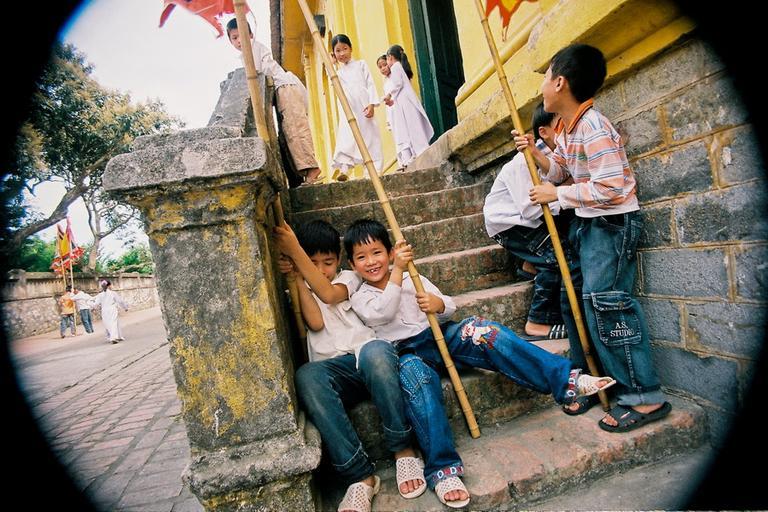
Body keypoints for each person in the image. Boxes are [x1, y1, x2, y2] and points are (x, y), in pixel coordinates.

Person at [344, 219, 615, 508]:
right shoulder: (361, 297)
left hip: (440, 336)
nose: (371, 262)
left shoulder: (414, 277)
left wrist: (438, 305)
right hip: (407, 353)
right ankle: (443, 469)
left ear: (389, 252)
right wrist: (397, 270)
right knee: (417, 382)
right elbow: (382, 314)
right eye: (361, 257)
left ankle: (566, 380)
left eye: (377, 252)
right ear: (351, 264)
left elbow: (449, 306)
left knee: (483, 330)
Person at [513, 43, 671, 430]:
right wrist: (536, 154)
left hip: (610, 225)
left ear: (560, 83)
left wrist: (558, 195)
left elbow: (611, 187)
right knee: (577, 304)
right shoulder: (570, 127)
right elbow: (560, 170)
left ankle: (644, 396)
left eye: (546, 76)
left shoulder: (594, 127)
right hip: (588, 224)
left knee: (608, 305)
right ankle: (593, 381)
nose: (543, 85)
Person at [273, 220, 426, 512]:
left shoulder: (350, 278)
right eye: (313, 262)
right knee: (306, 376)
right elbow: (315, 323)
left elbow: (329, 294)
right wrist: (297, 281)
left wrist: (294, 251)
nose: (321, 270)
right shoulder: (300, 286)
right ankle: (360, 476)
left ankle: (404, 450)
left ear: (340, 260)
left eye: (327, 262)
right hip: (336, 373)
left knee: (377, 351)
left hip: (369, 360)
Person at [484, 102, 573, 342]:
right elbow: (531, 209)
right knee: (557, 258)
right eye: (562, 125)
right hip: (510, 223)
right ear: (544, 132)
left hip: (529, 218)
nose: (569, 129)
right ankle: (537, 321)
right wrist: (564, 195)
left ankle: (529, 264)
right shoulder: (524, 162)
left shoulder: (554, 158)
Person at [226, 19, 322, 186]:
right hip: (281, 90)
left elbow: (256, 74)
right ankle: (303, 174)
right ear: (230, 41)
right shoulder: (246, 53)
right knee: (287, 134)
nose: (239, 41)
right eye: (235, 38)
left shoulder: (254, 47)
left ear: (251, 35)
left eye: (242, 35)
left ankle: (312, 169)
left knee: (295, 128)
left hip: (285, 87)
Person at [330, 34, 382, 181]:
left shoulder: (361, 65)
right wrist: (332, 64)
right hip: (349, 109)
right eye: (338, 51)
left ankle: (373, 170)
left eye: (344, 49)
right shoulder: (337, 73)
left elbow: (370, 84)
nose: (342, 53)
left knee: (370, 137)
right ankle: (345, 168)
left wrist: (372, 104)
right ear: (334, 54)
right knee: (347, 136)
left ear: (351, 48)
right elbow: (335, 84)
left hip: (364, 107)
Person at [382, 45, 434, 170]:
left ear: (390, 57)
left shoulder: (396, 67)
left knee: (412, 125)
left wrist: (389, 95)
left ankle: (420, 149)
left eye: (387, 60)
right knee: (409, 126)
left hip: (405, 101)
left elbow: (397, 84)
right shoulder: (399, 67)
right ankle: (415, 152)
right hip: (403, 100)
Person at [91, 279, 128, 344]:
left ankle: (117, 336)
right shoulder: (113, 293)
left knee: (108, 324)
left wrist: (92, 307)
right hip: (112, 309)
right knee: (113, 323)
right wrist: (125, 307)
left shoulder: (100, 295)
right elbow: (120, 301)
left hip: (104, 311)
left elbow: (96, 304)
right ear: (109, 286)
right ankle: (113, 338)